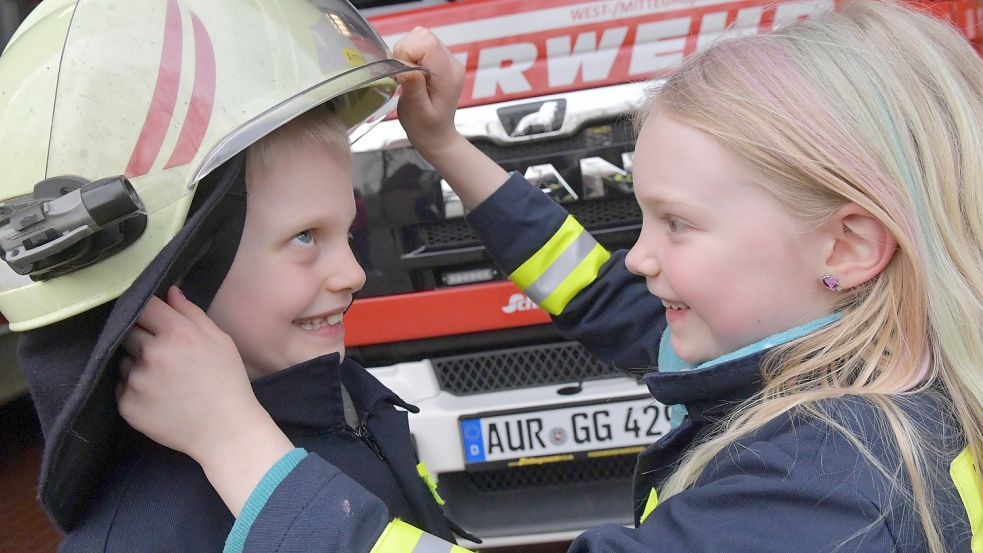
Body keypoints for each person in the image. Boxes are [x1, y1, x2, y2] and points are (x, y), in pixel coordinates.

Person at [115, 1, 981, 551]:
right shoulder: (845, 370)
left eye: (676, 223)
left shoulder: (833, 484)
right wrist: (449, 149)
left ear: (847, 246)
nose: (639, 256)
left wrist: (233, 440)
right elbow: (604, 297)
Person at [1, 1, 459, 551]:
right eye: (306, 237)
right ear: (181, 264)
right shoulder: (148, 533)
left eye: (346, 232)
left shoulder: (335, 405)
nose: (354, 273)